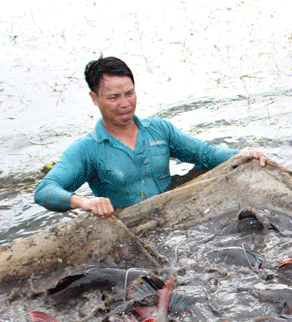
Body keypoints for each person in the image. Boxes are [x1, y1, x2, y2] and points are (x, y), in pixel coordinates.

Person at [34, 57, 269, 218]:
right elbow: (45, 190)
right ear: (94, 98)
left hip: (174, 212)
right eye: (114, 97)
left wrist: (241, 154)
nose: (125, 104)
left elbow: (204, 154)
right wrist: (83, 202)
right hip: (130, 223)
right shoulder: (88, 149)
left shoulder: (158, 129)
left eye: (129, 93)